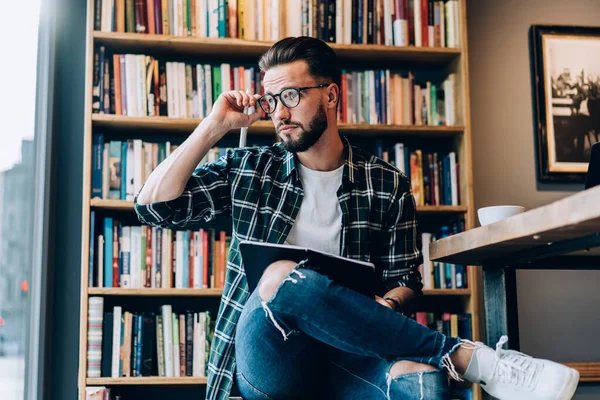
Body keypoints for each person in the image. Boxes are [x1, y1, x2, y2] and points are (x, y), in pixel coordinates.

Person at [135, 37, 580, 400]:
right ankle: (472, 359)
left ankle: (458, 362)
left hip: (351, 356)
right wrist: (214, 126)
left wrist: (383, 308)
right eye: (272, 100)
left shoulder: (386, 183)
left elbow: (405, 279)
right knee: (277, 277)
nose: (280, 113)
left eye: (290, 95)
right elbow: (153, 206)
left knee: (420, 380)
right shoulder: (252, 169)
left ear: (330, 94)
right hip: (268, 360)